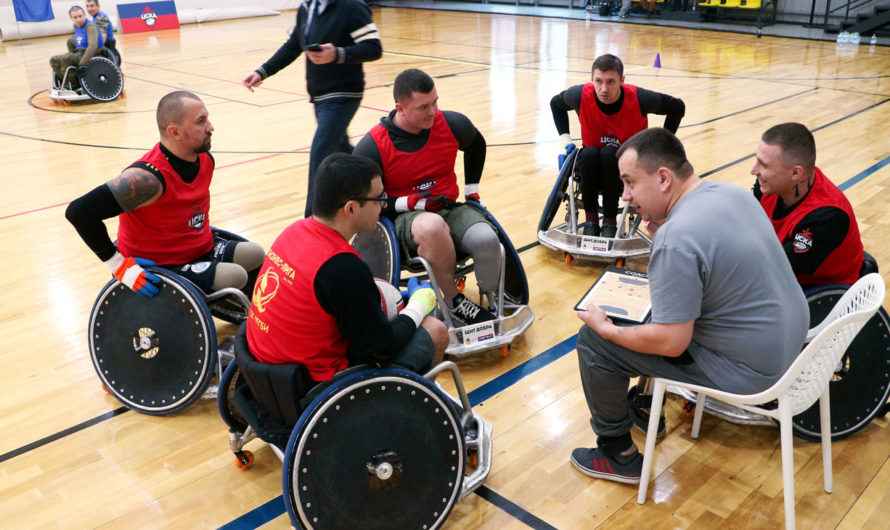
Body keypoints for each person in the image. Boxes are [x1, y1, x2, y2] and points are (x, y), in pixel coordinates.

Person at [572, 128, 808, 484]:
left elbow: (671, 342)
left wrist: (607, 329)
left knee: (595, 343)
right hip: (792, 347)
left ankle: (617, 453)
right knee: (651, 315)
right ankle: (643, 404)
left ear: (664, 178)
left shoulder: (677, 239)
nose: (625, 196)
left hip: (752, 373)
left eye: (630, 182)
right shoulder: (730, 193)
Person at [246, 153, 448, 382]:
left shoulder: (292, 232)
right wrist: (418, 307)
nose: (384, 204)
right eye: (379, 198)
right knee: (435, 330)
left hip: (268, 378)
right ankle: (416, 410)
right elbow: (382, 349)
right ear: (351, 209)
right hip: (320, 392)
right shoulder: (343, 268)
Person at [65, 91, 265, 300]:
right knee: (236, 276)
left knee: (255, 253)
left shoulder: (205, 159)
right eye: (201, 121)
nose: (211, 127)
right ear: (175, 132)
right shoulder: (147, 180)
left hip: (197, 246)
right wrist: (118, 265)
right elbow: (79, 212)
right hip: (162, 262)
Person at [353, 68, 501, 326]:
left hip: (448, 208)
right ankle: (454, 301)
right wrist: (408, 203)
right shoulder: (372, 147)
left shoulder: (453, 124)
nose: (433, 111)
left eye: (435, 102)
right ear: (400, 107)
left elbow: (477, 144)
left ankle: (492, 299)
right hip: (403, 220)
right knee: (432, 226)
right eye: (423, 107)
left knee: (487, 239)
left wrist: (471, 189)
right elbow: (364, 204)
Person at [241, 0, 382, 218]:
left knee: (320, 154)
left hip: (344, 95)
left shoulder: (352, 6)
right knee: (341, 149)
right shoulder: (307, 8)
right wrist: (263, 71)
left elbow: (374, 47)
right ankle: (381, 184)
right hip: (319, 97)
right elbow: (294, 45)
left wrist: (338, 53)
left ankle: (312, 222)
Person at [550, 54, 685, 237]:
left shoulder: (639, 98)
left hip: (627, 168)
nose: (603, 88)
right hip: (592, 165)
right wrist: (565, 142)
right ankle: (590, 220)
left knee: (609, 153)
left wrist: (662, 146)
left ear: (622, 80)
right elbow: (555, 104)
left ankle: (610, 221)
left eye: (611, 82)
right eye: (598, 81)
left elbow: (677, 107)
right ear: (592, 79)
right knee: (589, 153)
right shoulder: (580, 95)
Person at [752, 122, 864, 288]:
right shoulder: (769, 186)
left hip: (823, 293)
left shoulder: (827, 216)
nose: (754, 170)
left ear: (796, 173)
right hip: (785, 274)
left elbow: (771, 269)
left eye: (764, 165)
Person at [51, 6, 104, 90]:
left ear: (84, 15)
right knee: (54, 60)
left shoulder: (90, 26)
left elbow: (93, 46)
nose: (78, 19)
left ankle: (74, 83)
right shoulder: (76, 26)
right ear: (71, 18)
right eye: (75, 17)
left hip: (92, 54)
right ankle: (65, 80)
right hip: (80, 52)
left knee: (66, 58)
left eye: (80, 16)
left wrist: (82, 63)